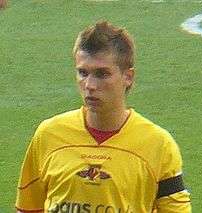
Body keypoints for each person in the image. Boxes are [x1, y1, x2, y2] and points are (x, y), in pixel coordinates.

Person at [16, 21, 191, 213]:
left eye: (102, 74)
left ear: (128, 77)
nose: (90, 85)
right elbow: (28, 208)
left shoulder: (158, 145)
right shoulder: (48, 134)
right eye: (83, 72)